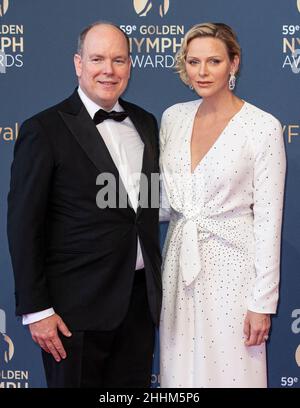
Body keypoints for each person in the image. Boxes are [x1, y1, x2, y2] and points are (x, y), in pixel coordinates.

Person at [7, 22, 161, 388]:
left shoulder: (146, 123)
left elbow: (145, 209)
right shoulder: (44, 129)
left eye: (118, 60)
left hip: (139, 305)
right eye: (97, 59)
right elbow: (24, 225)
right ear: (78, 64)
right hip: (71, 312)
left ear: (130, 66)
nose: (108, 69)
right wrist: (37, 310)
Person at [159, 23, 286, 388]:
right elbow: (165, 199)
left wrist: (262, 302)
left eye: (213, 61)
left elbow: (268, 220)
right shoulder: (174, 117)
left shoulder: (262, 127)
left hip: (235, 271)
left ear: (234, 63)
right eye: (194, 61)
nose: (202, 71)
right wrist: (106, 199)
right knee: (180, 373)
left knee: (233, 373)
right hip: (180, 265)